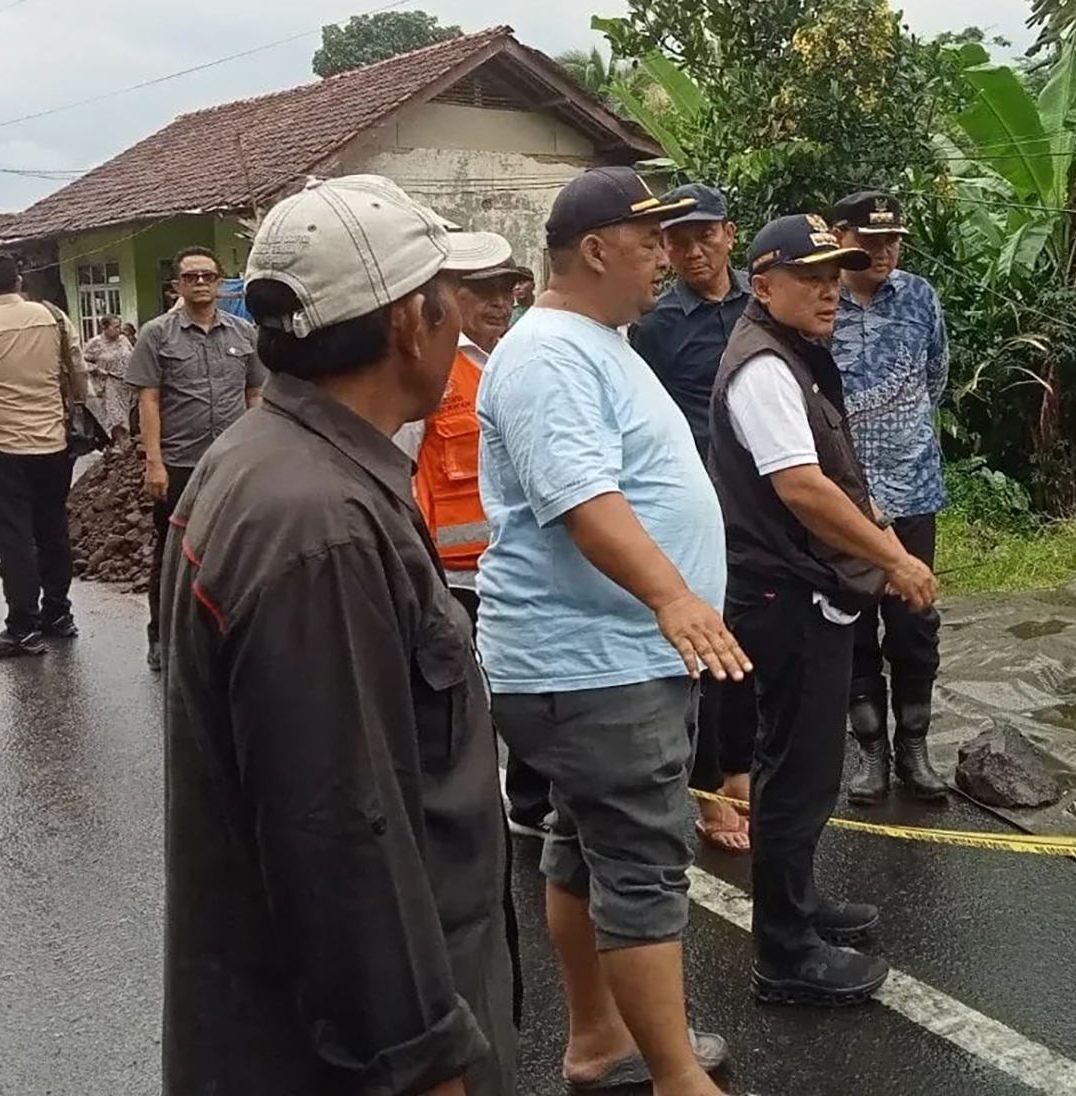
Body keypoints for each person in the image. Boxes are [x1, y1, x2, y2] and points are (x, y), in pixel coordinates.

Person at [159, 175, 519, 1096]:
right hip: (350, 1060)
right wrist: (425, 1066)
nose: (465, 320)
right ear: (410, 321)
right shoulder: (317, 527)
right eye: (450, 296)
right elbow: (344, 838)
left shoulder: (279, 458)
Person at [476, 167, 742, 1095]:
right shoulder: (552, 354)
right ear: (594, 250)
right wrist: (674, 597)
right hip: (593, 665)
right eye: (650, 242)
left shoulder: (594, 340)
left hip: (598, 662)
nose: (668, 258)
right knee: (639, 864)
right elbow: (582, 499)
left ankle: (599, 1042)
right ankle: (677, 1079)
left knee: (586, 848)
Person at [710, 214, 939, 1005]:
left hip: (813, 591)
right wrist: (896, 558)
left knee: (808, 769)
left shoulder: (795, 355)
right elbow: (802, 489)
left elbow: (833, 478)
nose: (830, 290)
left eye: (835, 274)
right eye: (811, 277)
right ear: (761, 283)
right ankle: (783, 953)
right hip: (786, 596)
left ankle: (800, 906)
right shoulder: (763, 367)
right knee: (796, 772)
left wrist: (874, 533)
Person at [395, 231, 553, 839]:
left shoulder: (523, 356)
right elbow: (400, 470)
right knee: (462, 700)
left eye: (506, 290)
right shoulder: (431, 368)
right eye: (481, 291)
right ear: (447, 296)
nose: (498, 303)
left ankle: (530, 803)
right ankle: (469, 811)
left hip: (520, 562)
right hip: (454, 572)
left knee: (529, 682)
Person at [630, 183, 755, 853]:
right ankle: (708, 792)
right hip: (690, 517)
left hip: (759, 512)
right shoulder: (657, 326)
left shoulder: (758, 306)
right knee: (700, 656)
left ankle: (738, 773)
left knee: (746, 649)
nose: (691, 249)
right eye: (676, 240)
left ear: (729, 234)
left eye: (703, 234)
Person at [830, 191, 951, 803]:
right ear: (841, 237)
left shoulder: (920, 296)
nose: (885, 251)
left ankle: (914, 747)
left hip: (911, 491)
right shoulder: (821, 303)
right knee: (852, 622)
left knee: (913, 622)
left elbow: (937, 375)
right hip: (842, 502)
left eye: (893, 239)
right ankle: (871, 752)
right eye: (872, 241)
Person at [128, 245, 266, 672]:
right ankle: (161, 637)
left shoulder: (244, 335)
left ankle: (225, 635)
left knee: (235, 551)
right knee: (171, 554)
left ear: (220, 282)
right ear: (178, 285)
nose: (201, 283)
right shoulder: (157, 334)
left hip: (231, 464)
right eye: (192, 277)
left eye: (208, 276)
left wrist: (260, 455)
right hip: (180, 463)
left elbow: (255, 396)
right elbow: (148, 400)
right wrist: (154, 461)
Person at [0, 250, 88, 656]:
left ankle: (23, 626)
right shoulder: (52, 315)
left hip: (4, 446)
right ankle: (58, 614)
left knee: (15, 537)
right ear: (19, 282)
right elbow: (78, 371)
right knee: (53, 530)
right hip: (54, 443)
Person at [82, 315, 133, 443]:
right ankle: (120, 443)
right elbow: (81, 362)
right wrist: (96, 370)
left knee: (127, 415)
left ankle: (123, 444)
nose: (119, 330)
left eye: (119, 326)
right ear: (105, 328)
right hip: (109, 383)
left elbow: (132, 355)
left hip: (126, 384)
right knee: (116, 417)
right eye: (115, 327)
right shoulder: (95, 343)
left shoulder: (123, 340)